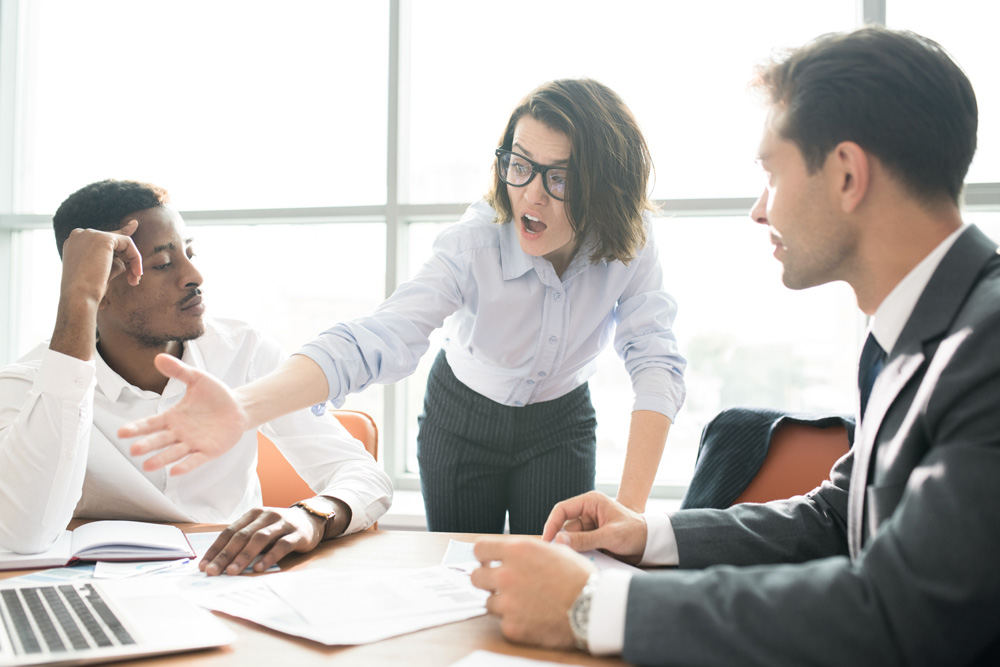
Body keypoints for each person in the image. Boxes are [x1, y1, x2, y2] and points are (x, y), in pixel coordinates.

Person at [470, 26, 1000, 666]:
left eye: (771, 174)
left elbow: (904, 611)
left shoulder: (988, 344)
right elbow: (837, 519)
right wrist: (647, 534)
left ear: (847, 175)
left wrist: (594, 608)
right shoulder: (910, 330)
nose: (759, 209)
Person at [119, 78, 687, 534]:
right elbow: (379, 338)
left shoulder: (629, 243)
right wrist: (244, 407)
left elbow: (655, 361)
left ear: (602, 185)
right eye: (519, 165)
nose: (530, 194)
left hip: (561, 421)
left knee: (563, 572)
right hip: (461, 417)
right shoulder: (473, 242)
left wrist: (632, 512)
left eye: (558, 177)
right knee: (465, 584)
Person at [0, 179, 392, 576]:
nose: (195, 275)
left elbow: (363, 475)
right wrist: (77, 299)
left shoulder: (246, 351)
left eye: (189, 252)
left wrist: (311, 516)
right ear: (101, 288)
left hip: (230, 578)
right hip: (92, 589)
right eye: (163, 264)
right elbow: (22, 532)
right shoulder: (28, 384)